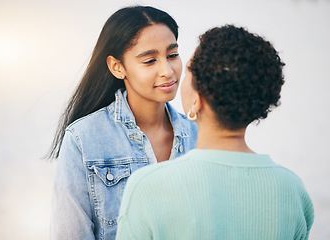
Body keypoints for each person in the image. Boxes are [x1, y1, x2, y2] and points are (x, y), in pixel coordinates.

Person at [116, 25, 314, 240]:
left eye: (189, 69)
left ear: (197, 99)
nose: (172, 73)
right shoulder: (291, 189)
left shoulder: (147, 187)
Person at [48, 5, 198, 240]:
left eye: (172, 55)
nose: (167, 71)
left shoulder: (199, 136)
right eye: (150, 61)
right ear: (117, 67)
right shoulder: (83, 139)